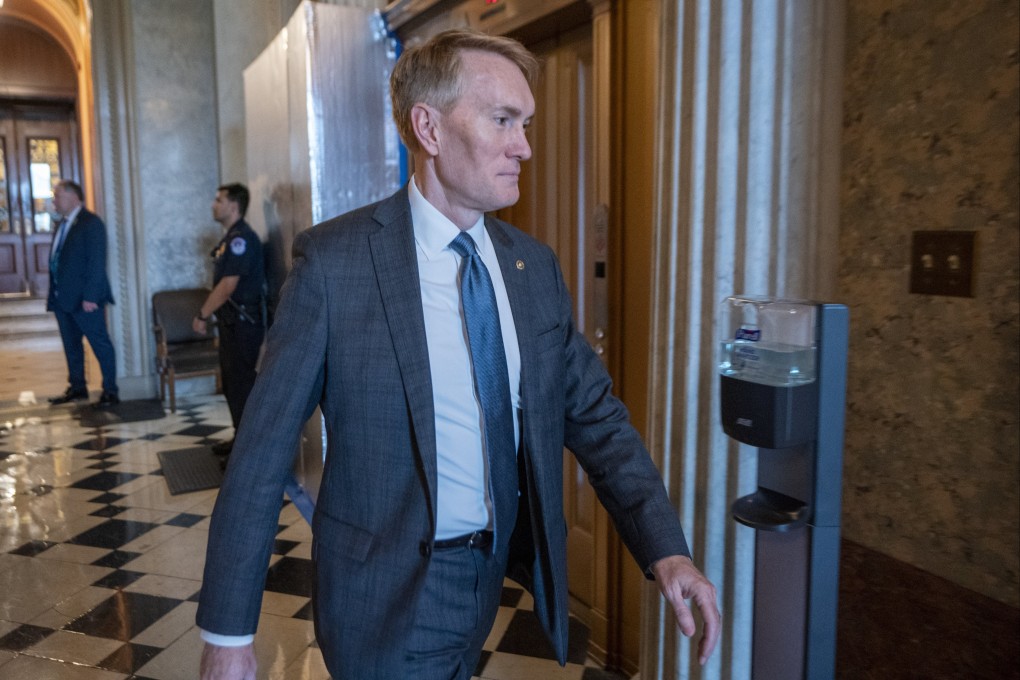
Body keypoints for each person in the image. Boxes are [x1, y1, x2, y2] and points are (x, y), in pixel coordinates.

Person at [197, 29, 720, 680]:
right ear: (430, 128)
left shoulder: (531, 268)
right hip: (382, 592)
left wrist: (666, 550)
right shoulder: (337, 264)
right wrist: (228, 634)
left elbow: (598, 419)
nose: (524, 146)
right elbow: (262, 450)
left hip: (489, 576)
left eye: (525, 123)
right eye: (503, 120)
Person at [193, 184, 266, 457]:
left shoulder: (241, 239)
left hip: (243, 324)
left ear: (233, 206)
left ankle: (247, 451)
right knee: (232, 385)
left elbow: (227, 286)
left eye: (218, 200)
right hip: (231, 323)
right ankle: (240, 439)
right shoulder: (230, 238)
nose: (213, 205)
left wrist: (202, 315)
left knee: (241, 385)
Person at [46, 180, 119, 408]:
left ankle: (110, 391)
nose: (54, 201)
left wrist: (91, 296)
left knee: (100, 344)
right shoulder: (62, 224)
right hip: (63, 299)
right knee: (71, 346)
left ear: (72, 197)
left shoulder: (91, 222)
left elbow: (97, 262)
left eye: (57, 196)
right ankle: (78, 388)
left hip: (85, 300)